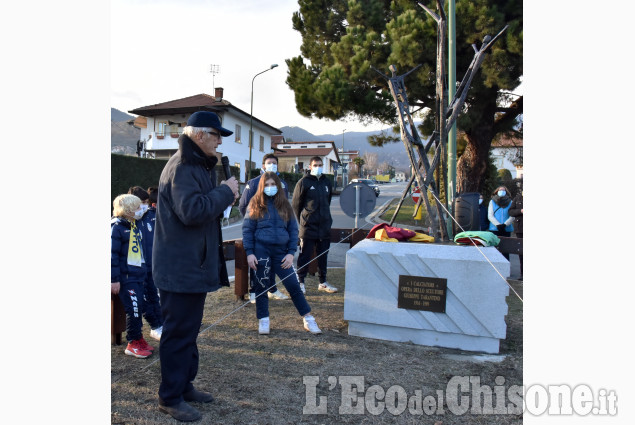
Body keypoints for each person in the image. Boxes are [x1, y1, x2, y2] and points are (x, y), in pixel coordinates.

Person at [152, 111, 240, 422]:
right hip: (179, 268)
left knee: (188, 331)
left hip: (192, 265)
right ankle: (170, 397)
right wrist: (225, 191)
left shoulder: (197, 166)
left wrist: (223, 196)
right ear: (199, 135)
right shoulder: (184, 167)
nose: (219, 141)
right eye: (216, 135)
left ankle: (184, 385)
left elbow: (203, 210)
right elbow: (192, 211)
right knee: (178, 334)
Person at [242, 172, 322, 335]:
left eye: (273, 185)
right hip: (261, 251)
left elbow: (293, 230)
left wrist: (291, 253)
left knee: (293, 285)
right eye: (267, 185)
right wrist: (250, 253)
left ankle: (308, 318)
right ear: (262, 186)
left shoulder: (285, 205)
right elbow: (247, 230)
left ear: (278, 186)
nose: (270, 188)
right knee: (261, 286)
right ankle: (263, 319)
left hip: (282, 253)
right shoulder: (254, 203)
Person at [238, 153, 290, 302]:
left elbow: (284, 206)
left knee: (273, 260)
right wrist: (254, 222)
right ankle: (254, 291)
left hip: (276, 232)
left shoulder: (282, 184)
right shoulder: (254, 183)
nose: (271, 165)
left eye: (274, 163)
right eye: (269, 162)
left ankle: (272, 289)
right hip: (259, 232)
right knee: (258, 262)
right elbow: (243, 205)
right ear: (263, 165)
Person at [111, 194, 154, 358]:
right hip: (126, 278)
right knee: (134, 310)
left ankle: (138, 337)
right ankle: (132, 343)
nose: (140, 210)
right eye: (136, 207)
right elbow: (112, 255)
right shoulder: (116, 227)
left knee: (139, 308)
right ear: (127, 210)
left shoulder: (133, 225)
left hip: (137, 276)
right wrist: (114, 279)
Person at [292, 156, 337, 294]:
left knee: (323, 255)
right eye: (315, 165)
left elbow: (327, 201)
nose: (318, 167)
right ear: (310, 166)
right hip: (308, 228)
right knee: (304, 255)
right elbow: (296, 205)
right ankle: (300, 282)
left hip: (324, 227)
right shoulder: (303, 182)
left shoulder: (326, 182)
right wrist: (304, 220)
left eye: (320, 164)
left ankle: (322, 282)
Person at [128, 186, 163, 340]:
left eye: (146, 202)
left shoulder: (151, 216)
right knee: (144, 301)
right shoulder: (127, 221)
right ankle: (155, 325)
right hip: (136, 270)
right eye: (141, 202)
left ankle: (160, 325)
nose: (144, 205)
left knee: (154, 296)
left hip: (152, 266)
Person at [488, 185, 515, 260]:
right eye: (500, 190)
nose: (502, 191)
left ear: (506, 192)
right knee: (494, 249)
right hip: (494, 229)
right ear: (497, 192)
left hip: (506, 228)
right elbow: (490, 215)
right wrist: (498, 225)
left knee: (506, 249)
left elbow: (512, 215)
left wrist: (505, 224)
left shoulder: (511, 202)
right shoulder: (492, 201)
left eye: (503, 190)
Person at [508, 186, 524, 280]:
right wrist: (520, 211)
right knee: (521, 252)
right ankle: (522, 274)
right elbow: (511, 212)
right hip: (520, 229)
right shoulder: (517, 198)